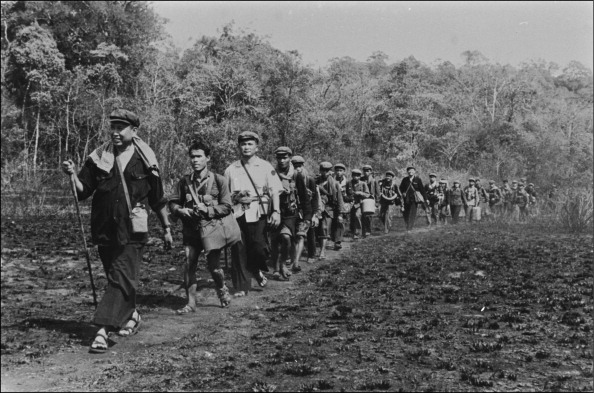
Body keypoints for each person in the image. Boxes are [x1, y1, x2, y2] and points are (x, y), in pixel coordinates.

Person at [61, 109, 172, 354]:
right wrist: (72, 175)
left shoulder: (146, 159)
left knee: (120, 276)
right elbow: (82, 191)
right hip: (104, 229)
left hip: (134, 230)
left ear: (134, 130)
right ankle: (132, 315)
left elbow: (158, 198)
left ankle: (102, 329)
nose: (115, 132)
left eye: (121, 127)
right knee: (119, 277)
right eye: (112, 126)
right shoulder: (98, 157)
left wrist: (166, 228)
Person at [168, 141, 234, 313]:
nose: (195, 160)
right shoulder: (184, 182)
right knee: (189, 263)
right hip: (191, 229)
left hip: (212, 230)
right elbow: (173, 203)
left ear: (208, 158)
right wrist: (180, 210)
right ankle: (190, 303)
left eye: (199, 156)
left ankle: (221, 289)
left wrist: (208, 209)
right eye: (192, 157)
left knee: (214, 267)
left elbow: (227, 206)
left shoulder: (219, 180)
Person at [224, 131, 282, 295]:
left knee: (258, 248)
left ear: (256, 147)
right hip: (237, 214)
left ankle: (256, 269)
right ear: (239, 146)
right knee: (238, 248)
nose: (246, 147)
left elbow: (275, 191)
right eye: (243, 144)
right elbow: (225, 195)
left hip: (258, 212)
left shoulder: (265, 167)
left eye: (250, 144)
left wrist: (276, 211)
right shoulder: (231, 169)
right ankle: (241, 287)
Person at [269, 147, 312, 280]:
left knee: (286, 238)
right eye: (279, 158)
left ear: (289, 158)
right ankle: (276, 269)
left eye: (285, 157)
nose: (282, 160)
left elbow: (304, 198)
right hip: (273, 212)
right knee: (275, 242)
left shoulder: (296, 175)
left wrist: (307, 217)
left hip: (290, 213)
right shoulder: (271, 174)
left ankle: (282, 264)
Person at [291, 155, 320, 269]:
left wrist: (315, 214)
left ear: (303, 166)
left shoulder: (310, 180)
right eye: (295, 166)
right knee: (296, 234)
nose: (297, 169)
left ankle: (311, 254)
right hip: (295, 209)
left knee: (310, 233)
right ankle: (293, 257)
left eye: (299, 166)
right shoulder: (291, 178)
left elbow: (315, 197)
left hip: (308, 209)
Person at [316, 161, 344, 258]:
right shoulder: (315, 181)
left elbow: (339, 199)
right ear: (320, 170)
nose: (325, 172)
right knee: (315, 229)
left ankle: (322, 252)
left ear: (330, 171)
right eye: (323, 170)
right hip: (316, 208)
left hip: (329, 209)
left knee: (324, 229)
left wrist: (340, 214)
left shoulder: (335, 184)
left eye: (327, 170)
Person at [399, 166, 428, 231]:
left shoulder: (418, 180)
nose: (410, 172)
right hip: (406, 199)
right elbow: (400, 188)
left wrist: (426, 199)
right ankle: (407, 225)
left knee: (412, 213)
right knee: (405, 213)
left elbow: (422, 190)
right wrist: (403, 192)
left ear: (414, 172)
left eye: (412, 170)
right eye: (409, 171)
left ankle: (409, 228)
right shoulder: (405, 179)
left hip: (414, 199)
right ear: (407, 172)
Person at [345, 169, 370, 240]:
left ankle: (358, 233)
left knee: (357, 216)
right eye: (354, 175)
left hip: (360, 203)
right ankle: (353, 233)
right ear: (352, 176)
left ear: (359, 176)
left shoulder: (363, 184)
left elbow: (368, 194)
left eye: (357, 175)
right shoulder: (349, 183)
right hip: (351, 203)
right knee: (352, 218)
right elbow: (346, 193)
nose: (355, 177)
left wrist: (360, 193)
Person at [333, 163, 350, 247]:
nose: (339, 172)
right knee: (333, 222)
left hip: (343, 205)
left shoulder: (347, 182)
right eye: (337, 170)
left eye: (341, 171)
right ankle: (334, 238)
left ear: (344, 171)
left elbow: (351, 196)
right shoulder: (331, 180)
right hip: (333, 204)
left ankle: (338, 241)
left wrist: (344, 195)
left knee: (340, 222)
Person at [361, 165, 379, 237]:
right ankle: (363, 230)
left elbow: (377, 192)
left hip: (371, 199)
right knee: (362, 215)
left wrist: (377, 202)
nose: (366, 172)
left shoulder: (374, 181)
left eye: (368, 171)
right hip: (362, 198)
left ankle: (368, 230)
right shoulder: (361, 179)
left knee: (368, 215)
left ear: (371, 171)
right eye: (365, 171)